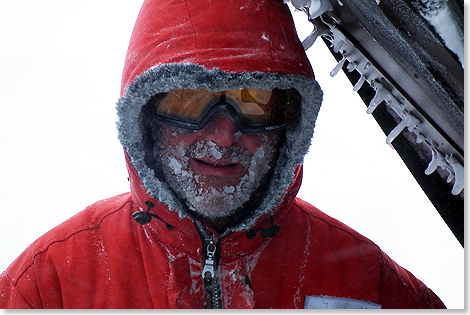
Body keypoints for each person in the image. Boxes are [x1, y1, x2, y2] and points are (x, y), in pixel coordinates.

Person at [0, 0, 445, 309]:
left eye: (254, 99)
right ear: (146, 115)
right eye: (191, 100)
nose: (224, 133)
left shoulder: (368, 287)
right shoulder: (50, 286)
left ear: (288, 122)